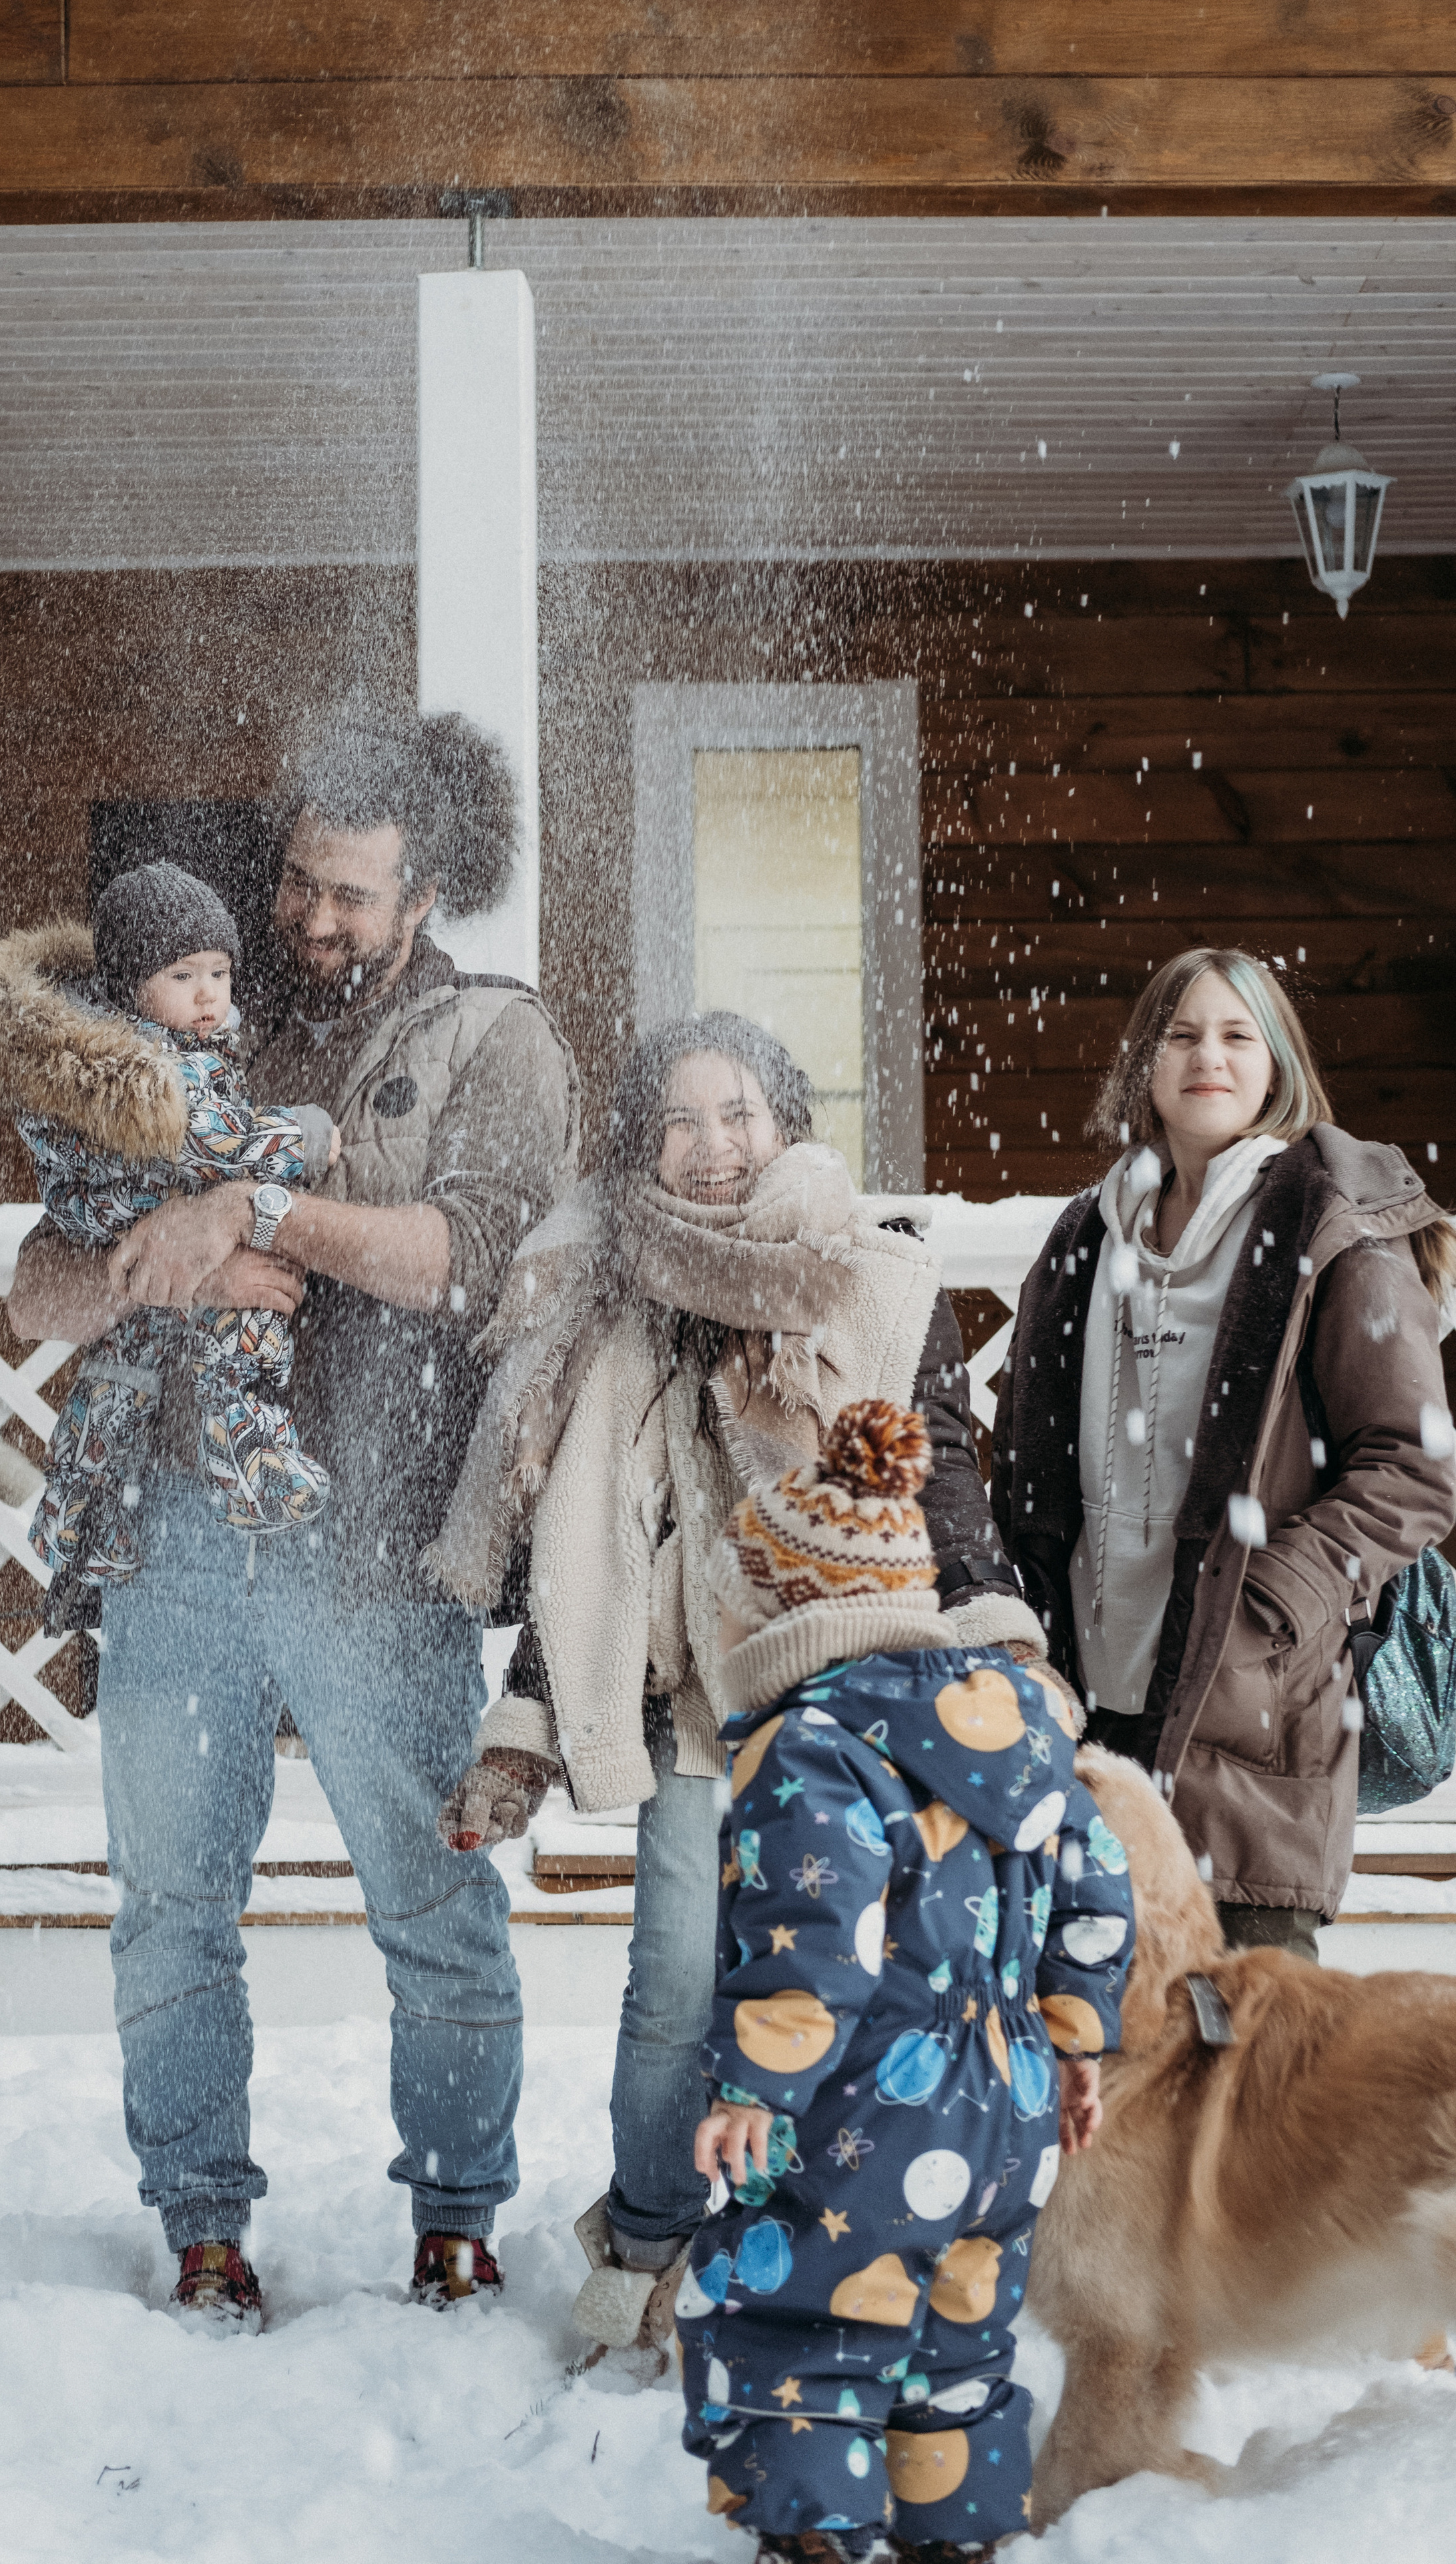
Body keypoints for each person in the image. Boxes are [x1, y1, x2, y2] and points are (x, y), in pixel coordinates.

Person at [5, 712, 580, 2324]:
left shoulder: (494, 1040)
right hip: (175, 1531)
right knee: (172, 1902)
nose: (312, 918)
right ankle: (200, 2219)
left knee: (429, 1896)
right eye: (301, 882)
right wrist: (144, 1262)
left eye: (351, 893)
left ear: (429, 888)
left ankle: (456, 2215)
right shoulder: (192, 1019)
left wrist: (253, 1212)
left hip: (377, 1538)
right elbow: (36, 1279)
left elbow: (468, 1257)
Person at [427, 1014, 1051, 2354]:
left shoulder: (875, 1285)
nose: (710, 1147)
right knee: (672, 1984)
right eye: (678, 1120)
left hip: (845, 1702)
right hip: (688, 1707)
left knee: (833, 1984)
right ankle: (652, 2236)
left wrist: (995, 1634)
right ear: (640, 1143)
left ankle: (812, 2236)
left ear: (784, 1125)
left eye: (736, 1115)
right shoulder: (608, 1300)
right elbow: (582, 1544)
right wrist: (521, 1736)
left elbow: (932, 1466)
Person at [674, 1398, 1134, 2564]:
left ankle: (816, 2540)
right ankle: (958, 2537)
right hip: (1011, 2113)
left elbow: (810, 1937)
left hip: (866, 2110)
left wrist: (755, 2089)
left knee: (811, 2322)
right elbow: (1098, 1890)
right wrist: (1076, 2047)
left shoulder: (815, 1740)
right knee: (958, 2334)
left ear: (794, 1600)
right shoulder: (1026, 1734)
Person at [991, 947, 1456, 1962]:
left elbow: (1413, 1467)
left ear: (1278, 1061)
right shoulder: (1084, 1239)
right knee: (1101, 2062)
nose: (1211, 1056)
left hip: (1255, 1714)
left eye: (1238, 1034)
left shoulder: (1334, 1233)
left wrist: (1274, 1603)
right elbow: (1026, 1455)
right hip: (1091, 1714)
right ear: (1144, 1065)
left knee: (1246, 2067)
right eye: (1184, 1033)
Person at [0, 862, 336, 1633]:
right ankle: (254, 1470)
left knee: (116, 1391)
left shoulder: (81, 1046)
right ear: (134, 984)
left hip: (111, 1229)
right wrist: (305, 1136)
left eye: (219, 972)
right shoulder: (152, 1066)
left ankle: (81, 1546)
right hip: (143, 1220)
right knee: (247, 1324)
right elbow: (220, 1141)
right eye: (182, 974)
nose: (208, 994)